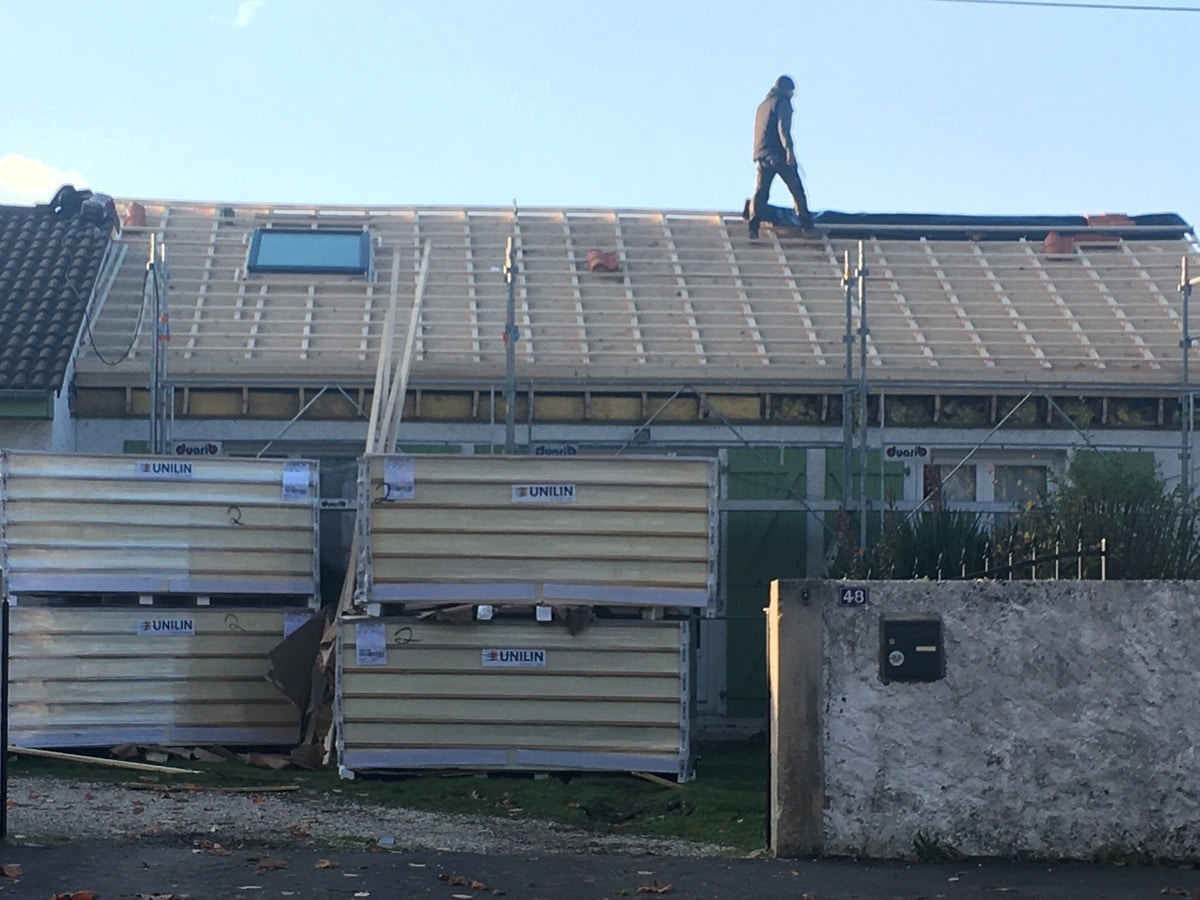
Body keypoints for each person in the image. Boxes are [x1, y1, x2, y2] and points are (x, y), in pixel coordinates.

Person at [748, 75, 814, 238]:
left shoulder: (763, 106)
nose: (793, 95)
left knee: (761, 191)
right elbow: (783, 129)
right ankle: (806, 223)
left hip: (762, 153)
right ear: (786, 90)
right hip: (778, 153)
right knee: (796, 188)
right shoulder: (782, 103)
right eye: (792, 91)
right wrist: (788, 150)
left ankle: (753, 225)